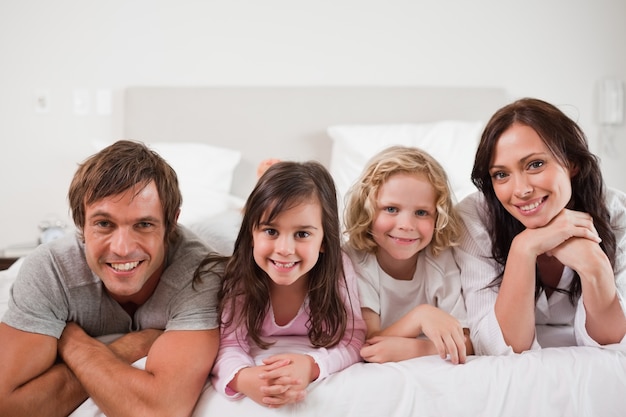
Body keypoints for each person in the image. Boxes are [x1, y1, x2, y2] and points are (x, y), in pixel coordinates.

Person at [0, 140, 221, 417]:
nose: (122, 248)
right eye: (104, 224)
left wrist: (66, 338)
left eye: (143, 224)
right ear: (81, 224)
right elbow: (8, 406)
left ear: (171, 223)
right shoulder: (50, 270)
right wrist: (127, 345)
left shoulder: (201, 274)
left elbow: (160, 412)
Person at [455, 97, 626, 355]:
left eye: (535, 164)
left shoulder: (616, 213)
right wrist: (524, 249)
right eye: (501, 174)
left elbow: (612, 342)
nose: (521, 190)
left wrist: (595, 268)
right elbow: (501, 346)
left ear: (571, 163)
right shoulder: (475, 217)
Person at [197, 160, 366, 408]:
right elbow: (230, 343)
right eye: (271, 231)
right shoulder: (240, 275)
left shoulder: (339, 268)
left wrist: (312, 365)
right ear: (252, 234)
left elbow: (353, 339)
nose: (284, 250)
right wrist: (243, 377)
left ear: (324, 241)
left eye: (302, 234)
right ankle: (243, 207)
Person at [343, 145, 473, 364]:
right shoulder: (355, 260)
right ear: (367, 210)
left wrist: (419, 349)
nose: (406, 225)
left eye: (421, 213)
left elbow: (466, 341)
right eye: (391, 209)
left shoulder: (440, 259)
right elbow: (365, 344)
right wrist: (421, 316)